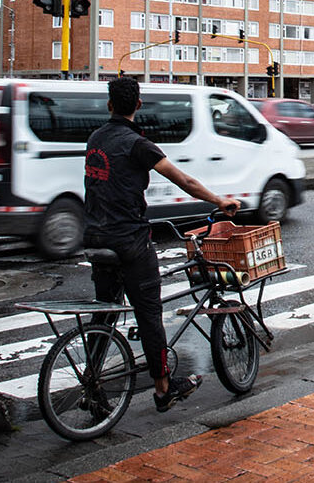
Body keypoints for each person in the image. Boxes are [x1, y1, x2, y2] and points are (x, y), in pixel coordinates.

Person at [84, 77, 241, 412]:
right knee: (149, 313)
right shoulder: (139, 143)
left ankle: (92, 384)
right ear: (138, 105)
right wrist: (218, 200)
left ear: (109, 105)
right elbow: (183, 180)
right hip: (129, 240)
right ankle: (163, 388)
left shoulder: (95, 139)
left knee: (104, 313)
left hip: (95, 236)